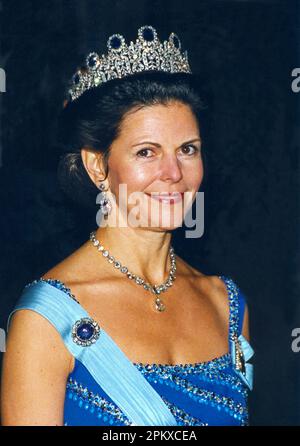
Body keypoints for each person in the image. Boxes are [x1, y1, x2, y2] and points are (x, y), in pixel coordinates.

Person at [0, 25, 254, 426]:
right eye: (146, 152)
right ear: (97, 165)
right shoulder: (49, 318)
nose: (173, 173)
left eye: (188, 149)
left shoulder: (227, 304)